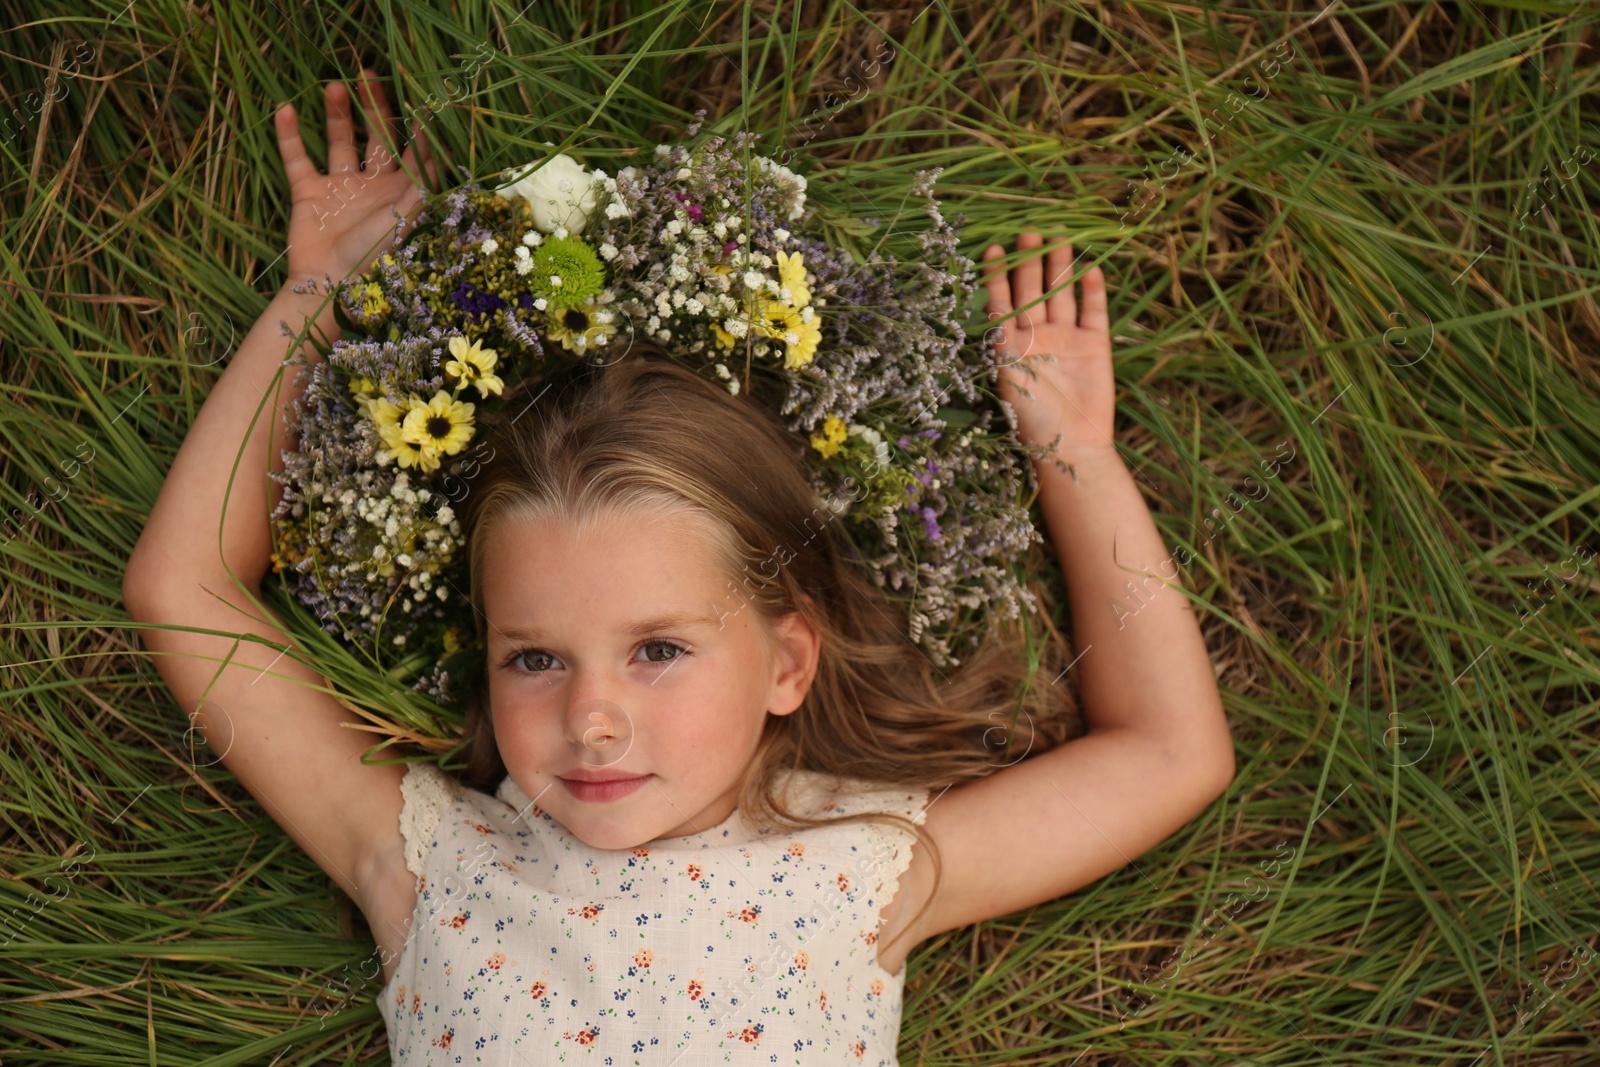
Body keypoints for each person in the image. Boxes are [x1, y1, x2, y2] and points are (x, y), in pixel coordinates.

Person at [122, 68, 1235, 1065]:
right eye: (535, 658)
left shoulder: (860, 865)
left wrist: (1073, 454)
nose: (592, 716)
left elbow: (1171, 754)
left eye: (657, 648)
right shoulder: (434, 864)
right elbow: (182, 595)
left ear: (785, 660)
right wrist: (318, 300)